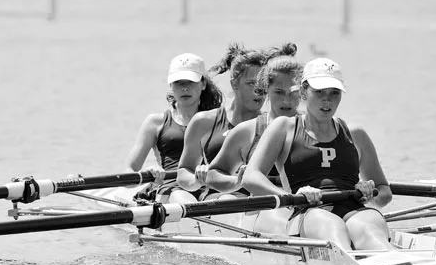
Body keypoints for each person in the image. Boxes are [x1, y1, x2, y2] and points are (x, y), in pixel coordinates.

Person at [242, 58, 394, 251]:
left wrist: (369, 196)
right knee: (334, 233)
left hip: (353, 208)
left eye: (334, 93)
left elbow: (384, 190)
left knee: (372, 233)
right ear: (304, 92)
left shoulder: (356, 133)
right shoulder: (284, 128)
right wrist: (289, 196)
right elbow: (250, 177)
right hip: (308, 211)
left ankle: (392, 264)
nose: (327, 100)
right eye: (319, 92)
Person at [174, 43, 294, 201]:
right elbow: (183, 172)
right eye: (251, 83)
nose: (259, 90)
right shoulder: (204, 121)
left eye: (263, 84)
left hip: (258, 202)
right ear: (234, 83)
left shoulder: (271, 125)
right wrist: (198, 179)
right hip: (218, 198)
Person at [198, 54, 303, 232]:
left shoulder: (314, 129)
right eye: (279, 92)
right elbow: (213, 174)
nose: (287, 100)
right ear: (266, 90)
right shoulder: (247, 131)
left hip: (305, 207)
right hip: (264, 211)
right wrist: (237, 182)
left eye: (293, 92)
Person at [124, 52, 223, 200]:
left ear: (203, 84)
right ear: (171, 85)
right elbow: (128, 172)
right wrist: (148, 171)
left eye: (190, 82)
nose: (184, 88)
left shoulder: (218, 120)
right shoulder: (155, 122)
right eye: (178, 82)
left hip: (210, 188)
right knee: (182, 198)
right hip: (171, 189)